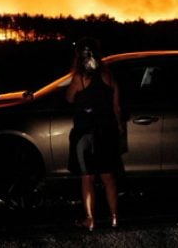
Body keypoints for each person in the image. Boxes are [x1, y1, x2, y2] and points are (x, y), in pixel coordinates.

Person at [66, 37, 122, 231]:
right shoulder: (109, 76)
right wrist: (119, 131)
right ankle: (114, 217)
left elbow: (69, 98)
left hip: (85, 134)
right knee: (109, 177)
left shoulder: (79, 78)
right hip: (107, 132)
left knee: (87, 177)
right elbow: (117, 107)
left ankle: (90, 219)